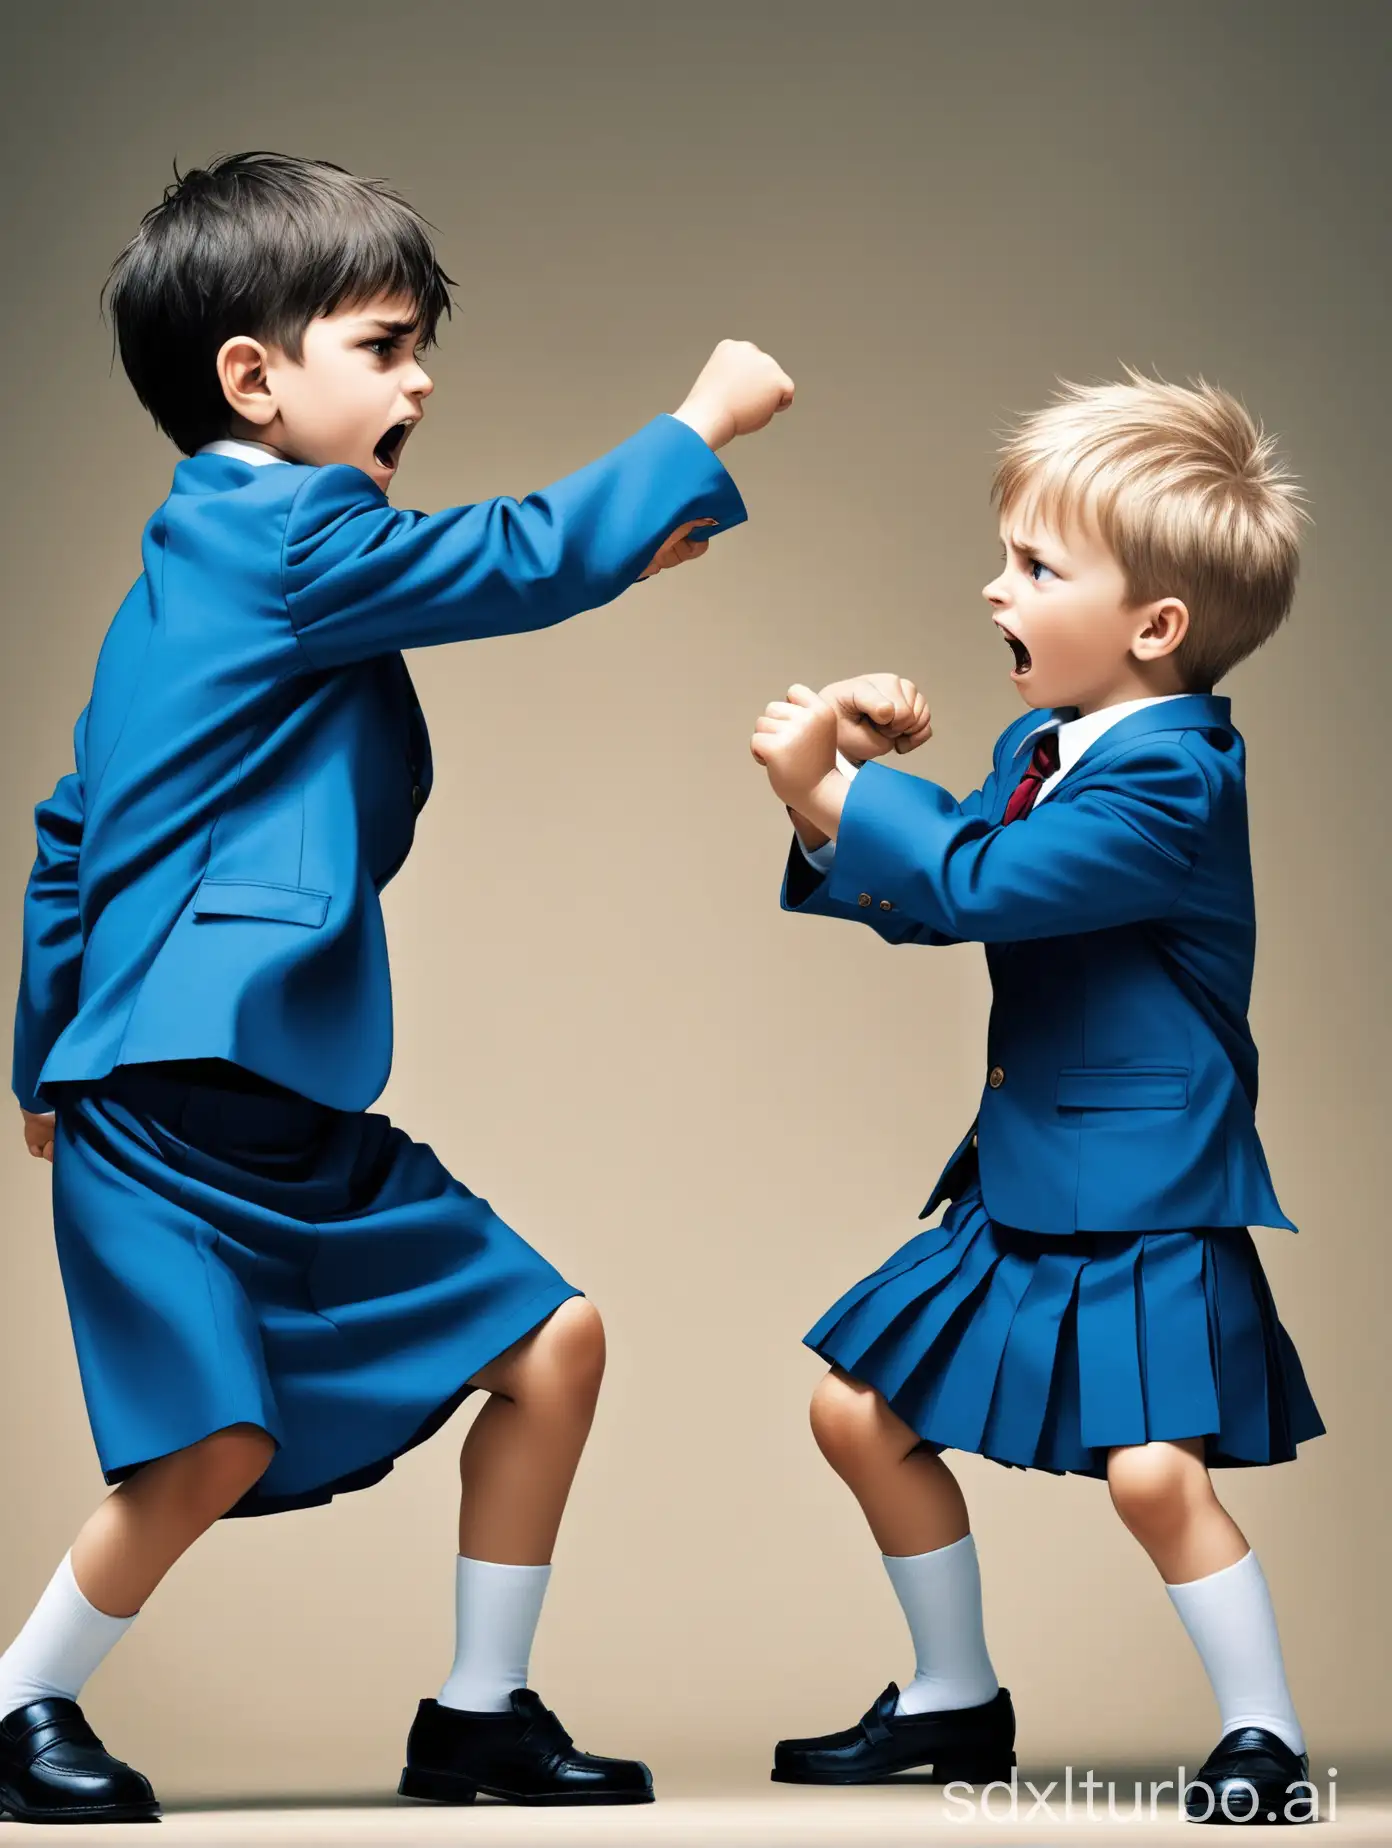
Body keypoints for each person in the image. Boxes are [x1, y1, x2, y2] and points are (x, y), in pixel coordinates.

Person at [1, 150, 792, 1825]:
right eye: (383, 343)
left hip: (219, 1082)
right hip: (184, 1084)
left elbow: (70, 833)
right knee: (212, 1441)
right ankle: (20, 1703)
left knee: (549, 1342)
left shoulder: (204, 558)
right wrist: (695, 433)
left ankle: (476, 1719)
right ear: (253, 376)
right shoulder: (297, 528)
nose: (421, 378)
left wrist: (35, 1059)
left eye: (423, 342)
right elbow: (508, 559)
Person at [750, 371, 1323, 1827]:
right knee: (857, 1407)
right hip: (1027, 1172)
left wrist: (821, 780)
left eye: (1034, 567)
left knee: (1151, 1477)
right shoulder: (1047, 748)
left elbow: (969, 890)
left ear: (1157, 628)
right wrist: (851, 792)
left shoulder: (1175, 783)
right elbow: (942, 878)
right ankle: (954, 1698)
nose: (995, 586)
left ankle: (1263, 1734)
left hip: (1142, 1188)